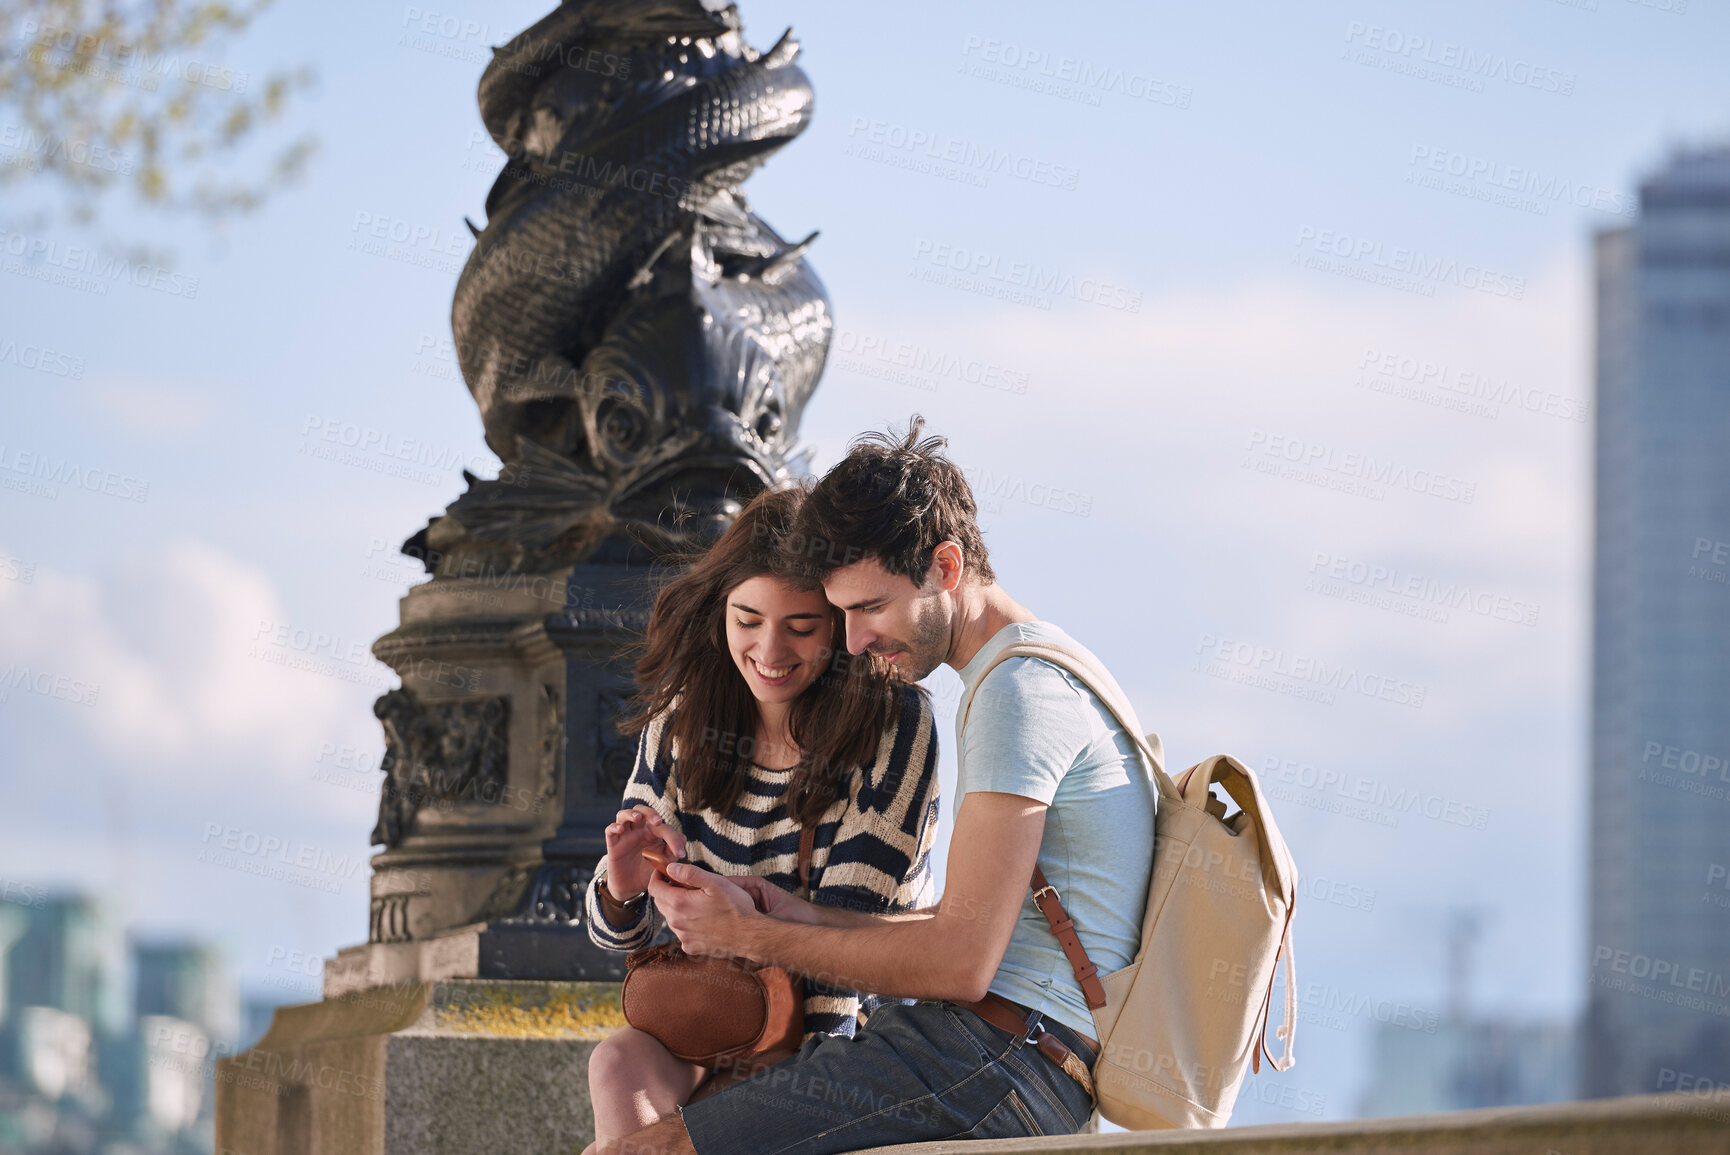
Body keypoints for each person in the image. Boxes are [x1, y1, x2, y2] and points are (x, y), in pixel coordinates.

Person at [599, 417, 1159, 1154]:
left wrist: (749, 933)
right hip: (991, 1048)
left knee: (652, 1149)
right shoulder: (1036, 672)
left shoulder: (1016, 697)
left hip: (998, 1057)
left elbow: (961, 964)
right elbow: (952, 930)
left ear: (947, 568)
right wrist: (793, 912)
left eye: (868, 607)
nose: (855, 639)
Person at [580, 486, 942, 1153]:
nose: (769, 649)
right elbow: (615, 935)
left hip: (847, 1031)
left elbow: (848, 955)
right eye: (747, 619)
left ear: (837, 624)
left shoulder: (895, 725)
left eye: (801, 627)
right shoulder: (681, 722)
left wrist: (759, 1111)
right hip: (714, 1014)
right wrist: (624, 884)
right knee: (616, 1064)